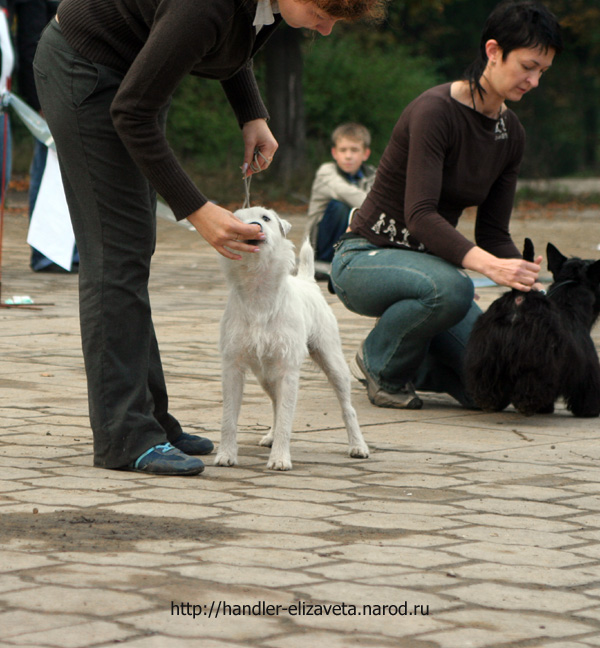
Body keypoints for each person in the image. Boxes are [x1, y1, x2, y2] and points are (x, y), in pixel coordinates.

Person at [32, 0, 386, 476]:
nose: (324, 30)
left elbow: (233, 42)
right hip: (86, 72)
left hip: (129, 78)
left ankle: (149, 420)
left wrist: (251, 113)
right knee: (114, 256)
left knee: (133, 251)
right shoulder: (204, 4)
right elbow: (133, 110)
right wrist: (198, 211)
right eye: (324, 13)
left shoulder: (270, 6)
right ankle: (124, 435)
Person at [330, 0, 563, 410]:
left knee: (491, 389)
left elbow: (492, 233)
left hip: (433, 278)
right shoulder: (435, 111)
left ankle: (415, 358)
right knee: (454, 288)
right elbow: (420, 216)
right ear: (493, 51)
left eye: (543, 71)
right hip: (365, 258)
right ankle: (380, 363)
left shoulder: (512, 133)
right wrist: (490, 267)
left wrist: (528, 283)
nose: (535, 81)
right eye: (528, 66)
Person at [306, 122, 376, 278]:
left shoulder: (372, 175)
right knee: (342, 207)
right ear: (334, 153)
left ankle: (357, 257)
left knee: (363, 215)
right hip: (323, 244)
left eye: (354, 150)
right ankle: (330, 263)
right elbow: (353, 196)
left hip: (351, 237)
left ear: (365, 153)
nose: (348, 155)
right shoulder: (326, 172)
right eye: (343, 150)